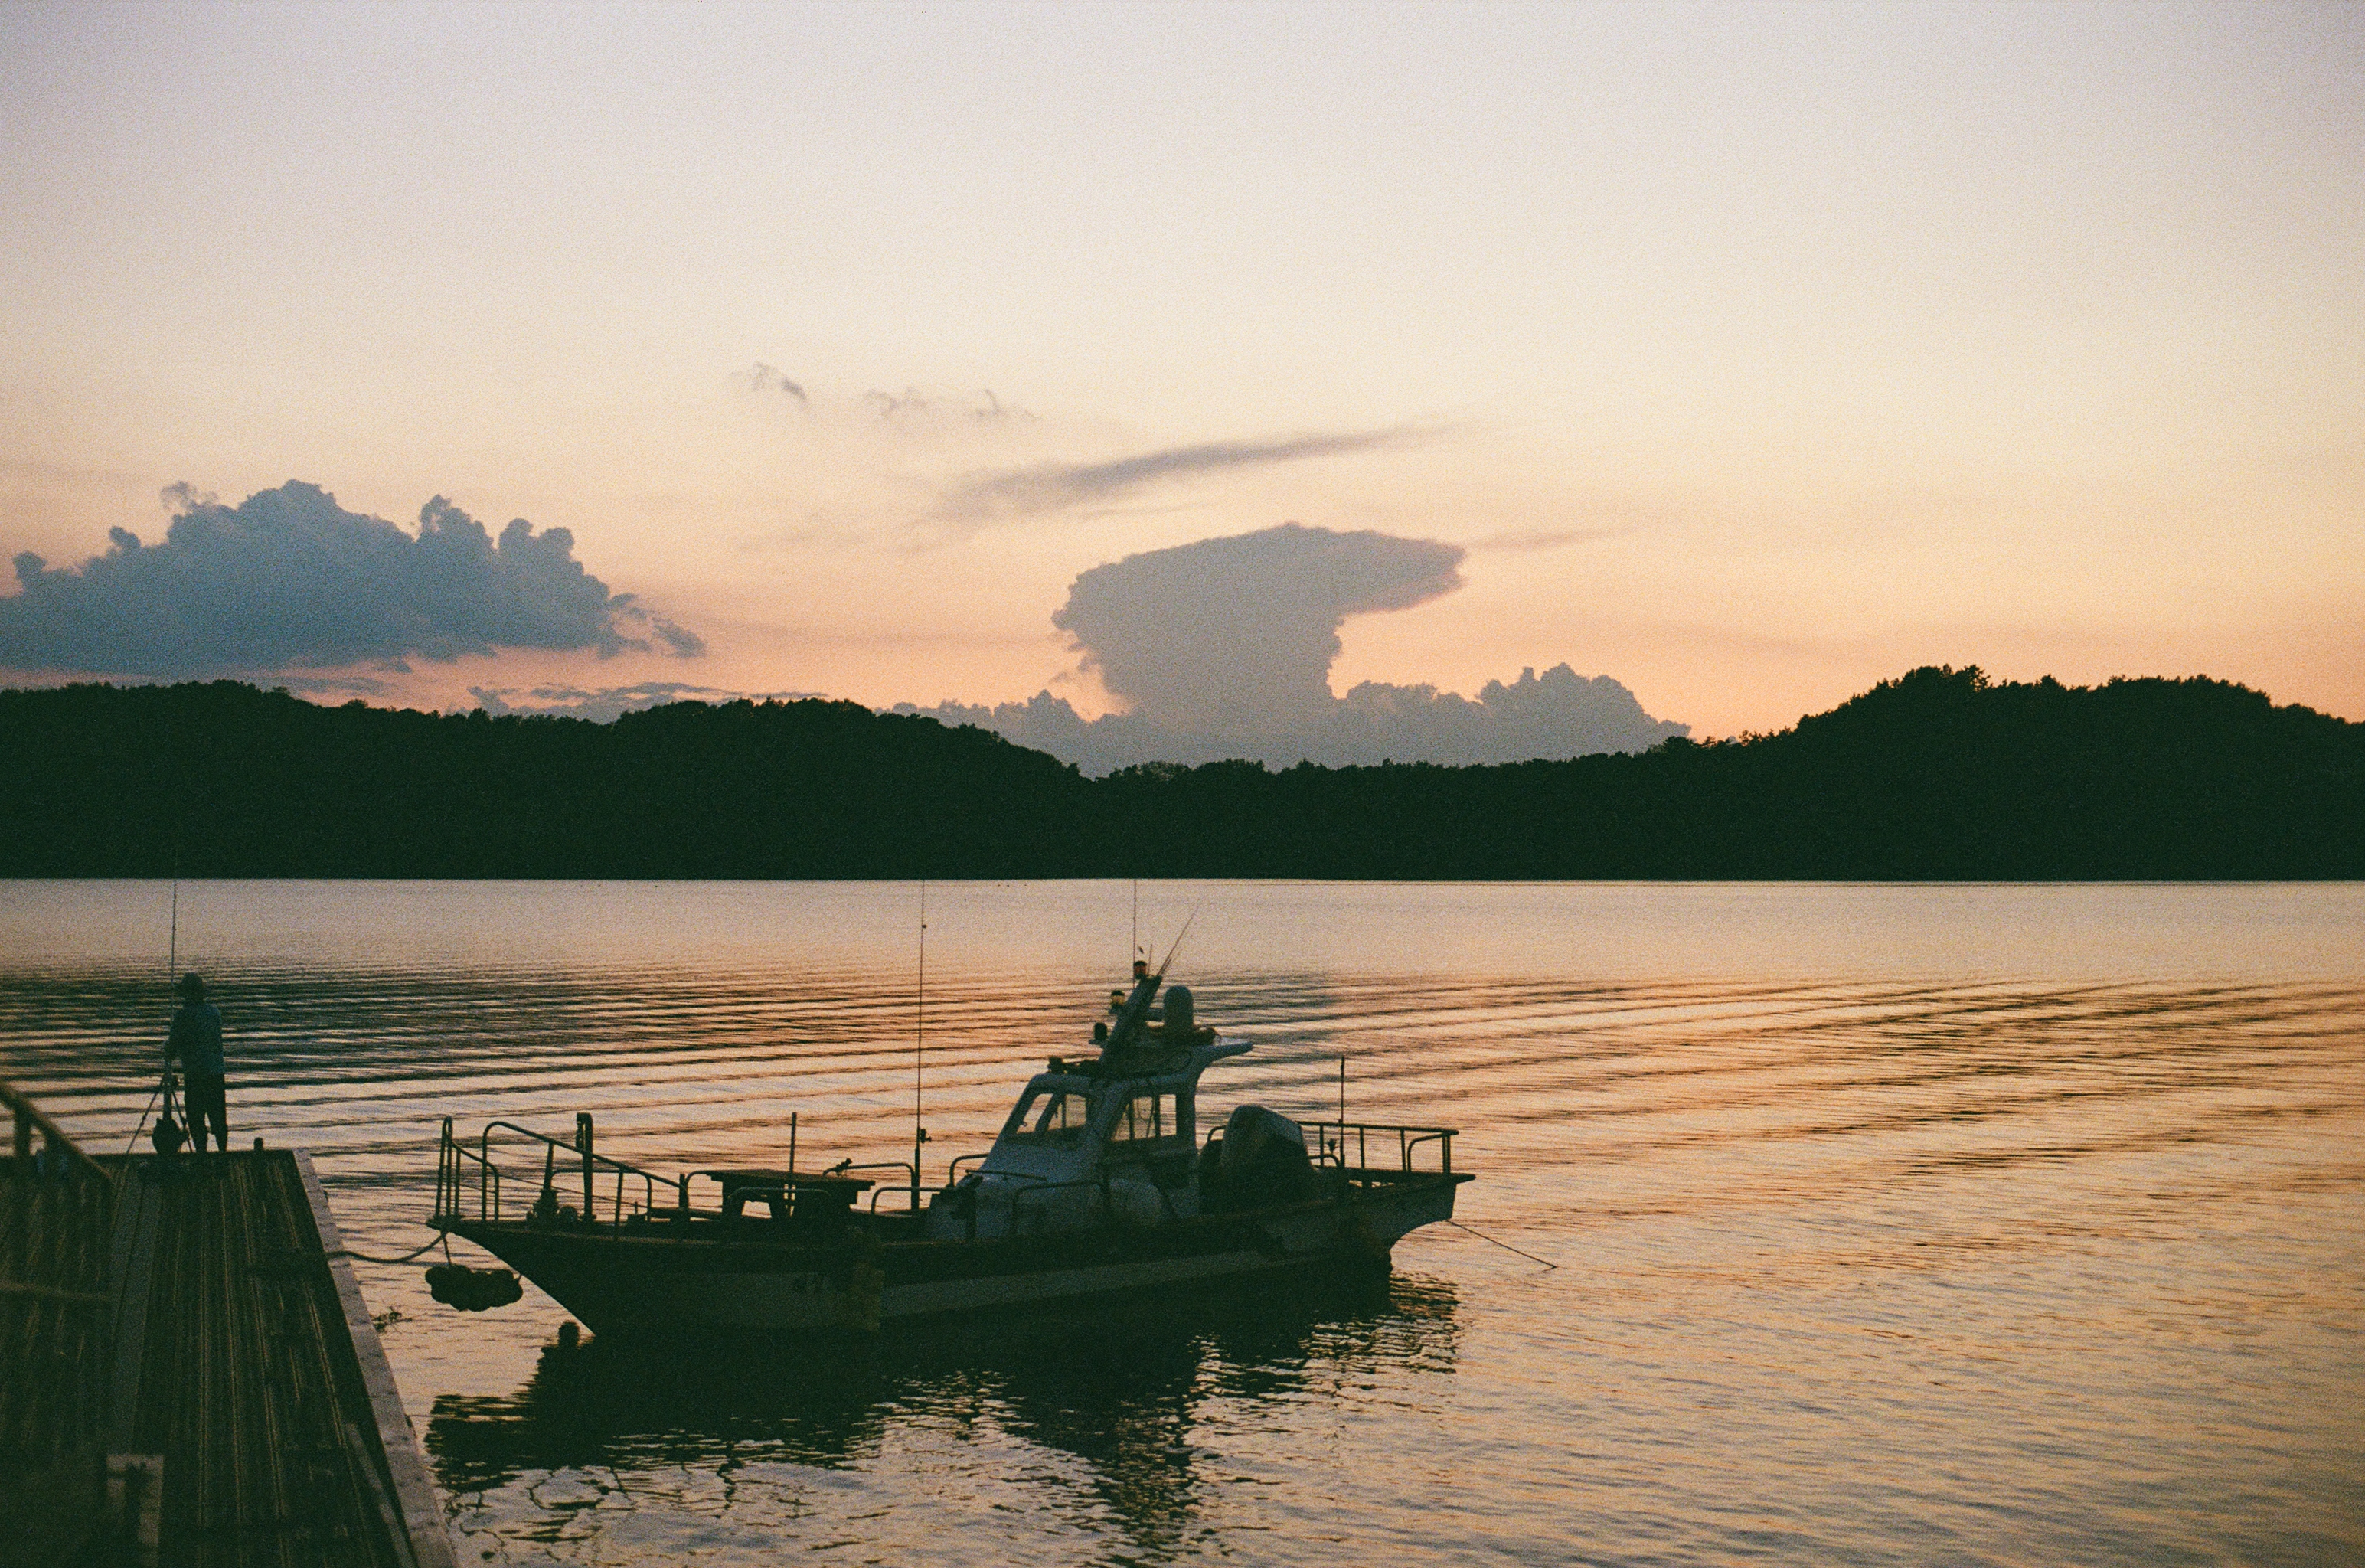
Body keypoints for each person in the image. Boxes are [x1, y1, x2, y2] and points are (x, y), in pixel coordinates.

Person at [166, 972, 228, 1154]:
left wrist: (167, 1049)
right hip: (216, 1073)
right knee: (218, 1117)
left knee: (196, 1119)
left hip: (195, 1075)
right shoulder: (214, 1013)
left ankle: (201, 1155)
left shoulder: (182, 1016)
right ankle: (223, 1154)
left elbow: (173, 1048)